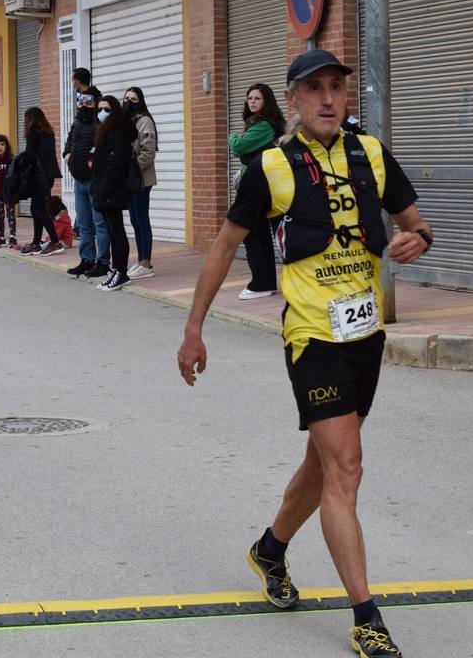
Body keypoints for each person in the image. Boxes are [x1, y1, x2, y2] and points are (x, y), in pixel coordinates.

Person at [178, 49, 432, 658]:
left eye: (335, 88)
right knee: (347, 468)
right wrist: (194, 329)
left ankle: (269, 549)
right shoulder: (271, 166)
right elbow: (222, 247)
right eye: (313, 89)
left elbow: (416, 222)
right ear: (292, 100)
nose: (326, 99)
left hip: (364, 337)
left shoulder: (370, 152)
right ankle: (366, 616)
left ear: (346, 97)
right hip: (312, 337)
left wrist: (416, 240)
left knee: (323, 465)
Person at [229, 82, 286, 299]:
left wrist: (232, 137)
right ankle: (266, 282)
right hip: (262, 184)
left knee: (252, 234)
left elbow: (239, 148)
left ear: (267, 102)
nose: (252, 102)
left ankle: (261, 283)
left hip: (259, 187)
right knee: (260, 234)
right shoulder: (260, 124)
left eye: (257, 99)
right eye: (249, 98)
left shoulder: (264, 126)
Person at [89, 95, 136, 292]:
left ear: (115, 111)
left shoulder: (117, 134)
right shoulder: (105, 132)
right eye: (99, 109)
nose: (102, 113)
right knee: (112, 231)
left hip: (112, 191)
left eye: (107, 109)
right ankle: (116, 270)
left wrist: (102, 191)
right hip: (104, 190)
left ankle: (121, 272)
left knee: (117, 233)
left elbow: (115, 167)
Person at [63, 87, 110, 278]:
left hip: (94, 181)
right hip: (78, 180)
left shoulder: (100, 123)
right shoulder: (77, 122)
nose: (83, 104)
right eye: (80, 100)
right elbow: (69, 141)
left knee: (100, 224)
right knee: (83, 224)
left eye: (88, 101)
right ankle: (86, 259)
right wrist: (67, 154)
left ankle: (103, 261)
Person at [123, 86, 158, 279]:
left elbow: (148, 152)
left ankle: (146, 263)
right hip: (130, 179)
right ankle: (139, 260)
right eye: (126, 98)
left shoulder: (144, 121)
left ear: (140, 101)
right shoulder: (127, 122)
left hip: (142, 179)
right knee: (135, 221)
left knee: (142, 220)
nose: (128, 102)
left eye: (133, 99)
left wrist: (132, 169)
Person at [22, 107, 65, 257]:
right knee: (36, 208)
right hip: (49, 175)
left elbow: (30, 156)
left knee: (39, 209)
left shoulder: (33, 132)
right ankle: (36, 242)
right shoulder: (48, 132)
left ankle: (54, 241)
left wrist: (19, 163)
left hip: (39, 176)